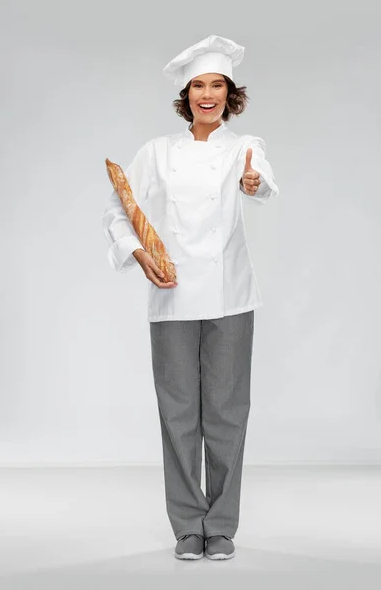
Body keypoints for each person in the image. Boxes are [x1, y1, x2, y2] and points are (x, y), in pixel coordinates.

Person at [102, 34, 280, 561]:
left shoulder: (246, 146)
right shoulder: (156, 153)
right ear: (186, 93)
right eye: (199, 85)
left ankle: (220, 524)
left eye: (218, 85)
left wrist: (253, 182)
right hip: (172, 293)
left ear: (230, 94)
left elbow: (263, 182)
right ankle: (187, 524)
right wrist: (139, 255)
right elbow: (119, 209)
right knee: (178, 411)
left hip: (230, 296)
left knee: (227, 412)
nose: (208, 94)